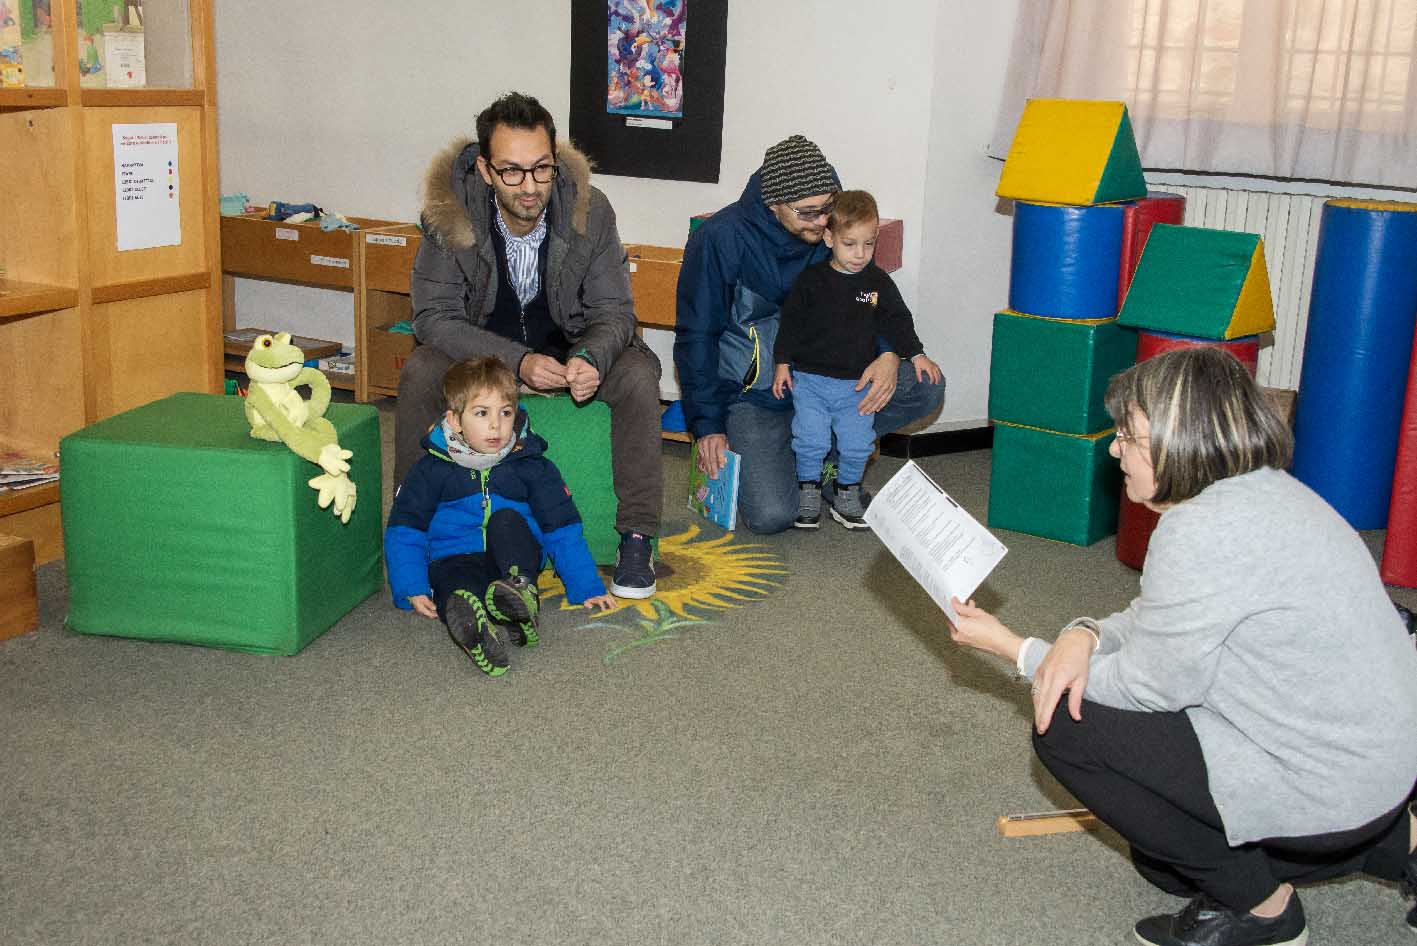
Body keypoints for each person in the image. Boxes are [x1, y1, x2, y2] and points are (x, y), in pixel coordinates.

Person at [948, 347, 1417, 946]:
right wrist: (1085, 633)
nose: (1115, 449)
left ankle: (1265, 914)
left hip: (1336, 789)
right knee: (1160, 860)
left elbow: (1151, 685)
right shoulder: (1264, 492)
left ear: (1185, 441)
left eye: (1131, 437)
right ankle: (1399, 843)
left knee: (1067, 726)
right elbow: (1165, 615)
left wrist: (1018, 650)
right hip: (1379, 767)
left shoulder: (1198, 532)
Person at [396, 91, 661, 599]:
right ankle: (414, 525)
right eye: (512, 171)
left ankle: (637, 535)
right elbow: (432, 317)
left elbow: (615, 312)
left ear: (555, 161)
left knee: (636, 372)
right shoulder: (447, 214)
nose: (530, 186)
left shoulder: (591, 210)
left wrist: (590, 357)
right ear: (485, 169)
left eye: (541, 169)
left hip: (567, 348)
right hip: (483, 357)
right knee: (422, 369)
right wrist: (516, 362)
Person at [674, 134, 945, 535]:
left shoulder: (830, 220)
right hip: (758, 399)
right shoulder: (718, 238)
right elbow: (696, 336)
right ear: (773, 204)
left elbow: (874, 292)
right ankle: (802, 455)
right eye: (808, 213)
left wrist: (888, 354)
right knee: (772, 515)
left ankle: (831, 462)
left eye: (828, 209)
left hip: (834, 382)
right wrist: (707, 425)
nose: (822, 222)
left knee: (924, 386)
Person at [386, 358, 615, 678]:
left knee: (506, 520)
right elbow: (405, 528)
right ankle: (475, 628)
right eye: (482, 413)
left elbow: (561, 526)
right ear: (454, 420)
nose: (496, 426)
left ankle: (519, 595)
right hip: (455, 557)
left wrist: (586, 585)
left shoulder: (531, 464)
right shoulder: (430, 469)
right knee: (455, 584)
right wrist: (412, 585)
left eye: (505, 413)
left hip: (513, 556)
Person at [771, 190, 942, 530]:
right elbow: (790, 324)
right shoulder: (812, 281)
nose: (860, 254)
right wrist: (782, 363)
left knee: (857, 444)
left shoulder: (875, 285)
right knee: (811, 440)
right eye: (850, 244)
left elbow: (896, 319)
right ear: (829, 238)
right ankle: (808, 491)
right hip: (812, 383)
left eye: (869, 244)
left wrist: (917, 353)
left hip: (856, 387)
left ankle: (845, 493)